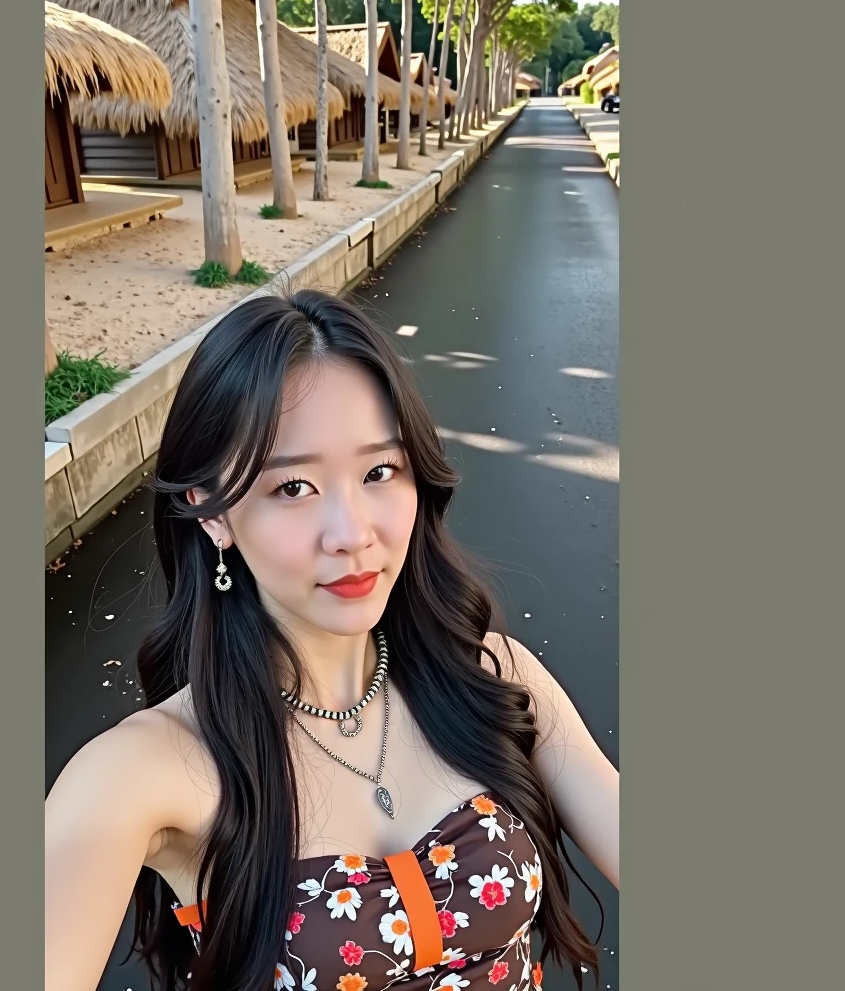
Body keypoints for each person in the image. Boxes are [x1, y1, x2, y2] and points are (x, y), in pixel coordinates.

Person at [45, 290, 619, 991]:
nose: (352, 534)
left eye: (380, 472)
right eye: (293, 488)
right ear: (211, 513)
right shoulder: (146, 770)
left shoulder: (496, 680)